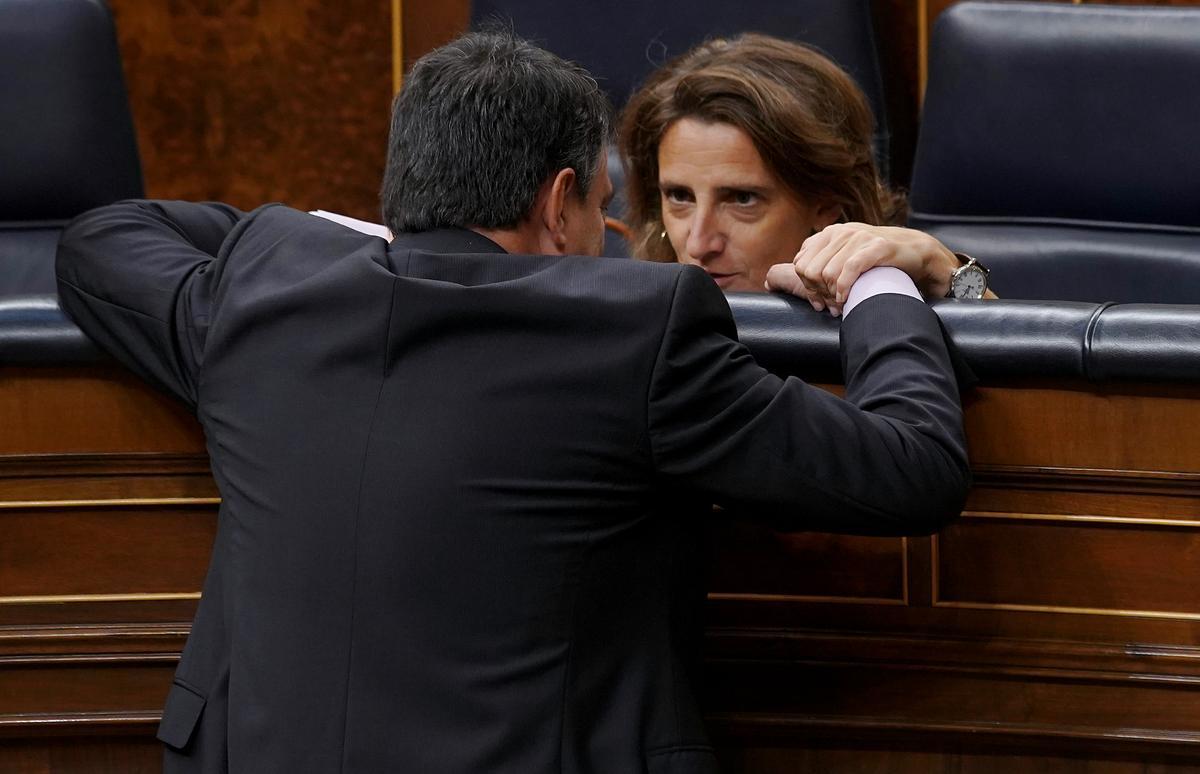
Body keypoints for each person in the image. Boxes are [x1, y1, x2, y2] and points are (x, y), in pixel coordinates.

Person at [56, 30, 969, 774]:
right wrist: (882, 278)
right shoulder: (632, 334)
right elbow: (911, 468)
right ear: (559, 198)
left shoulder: (265, 285)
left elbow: (102, 239)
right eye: (609, 208)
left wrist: (363, 242)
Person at [619, 33, 995, 314]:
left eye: (742, 199)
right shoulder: (633, 322)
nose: (699, 244)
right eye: (679, 196)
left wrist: (943, 271)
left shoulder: (893, 315)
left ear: (826, 204)